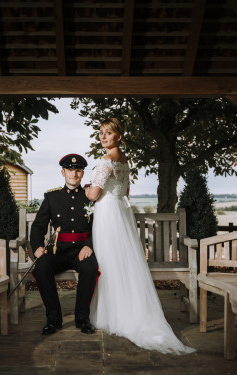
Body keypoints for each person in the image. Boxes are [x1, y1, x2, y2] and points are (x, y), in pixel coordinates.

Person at [84, 118, 195, 354]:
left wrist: (86, 189)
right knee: (120, 262)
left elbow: (94, 195)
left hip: (108, 214)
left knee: (109, 262)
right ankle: (124, 311)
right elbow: (126, 190)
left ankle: (113, 315)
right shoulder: (124, 160)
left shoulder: (106, 160)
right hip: (119, 212)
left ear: (119, 136)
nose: (103, 137)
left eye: (108, 133)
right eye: (101, 133)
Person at [30, 154, 100, 335]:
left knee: (91, 268)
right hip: (58, 250)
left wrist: (89, 245)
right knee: (41, 267)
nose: (74, 174)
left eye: (78, 170)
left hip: (82, 250)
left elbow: (100, 225)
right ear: (63, 172)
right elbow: (38, 226)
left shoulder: (91, 196)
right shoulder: (52, 197)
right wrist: (37, 247)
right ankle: (53, 318)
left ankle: (82, 318)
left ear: (82, 173)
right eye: (70, 170)